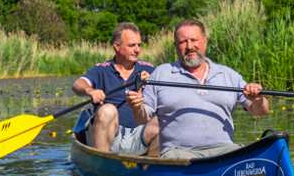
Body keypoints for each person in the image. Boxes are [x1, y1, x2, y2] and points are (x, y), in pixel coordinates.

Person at [127, 19, 269, 159]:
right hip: (179, 154)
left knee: (252, 159)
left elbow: (260, 112)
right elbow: (142, 119)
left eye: (194, 40)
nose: (189, 46)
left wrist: (258, 99)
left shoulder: (228, 75)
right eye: (183, 42)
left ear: (205, 41)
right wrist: (136, 106)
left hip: (224, 152)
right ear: (175, 46)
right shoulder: (161, 73)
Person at [73, 22, 159, 156]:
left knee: (161, 120)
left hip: (139, 135)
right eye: (132, 45)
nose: (137, 50)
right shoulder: (101, 69)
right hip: (107, 136)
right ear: (117, 47)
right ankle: (102, 163)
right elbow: (78, 84)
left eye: (139, 45)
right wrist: (90, 91)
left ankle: (152, 167)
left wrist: (152, 83)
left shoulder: (149, 69)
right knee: (108, 110)